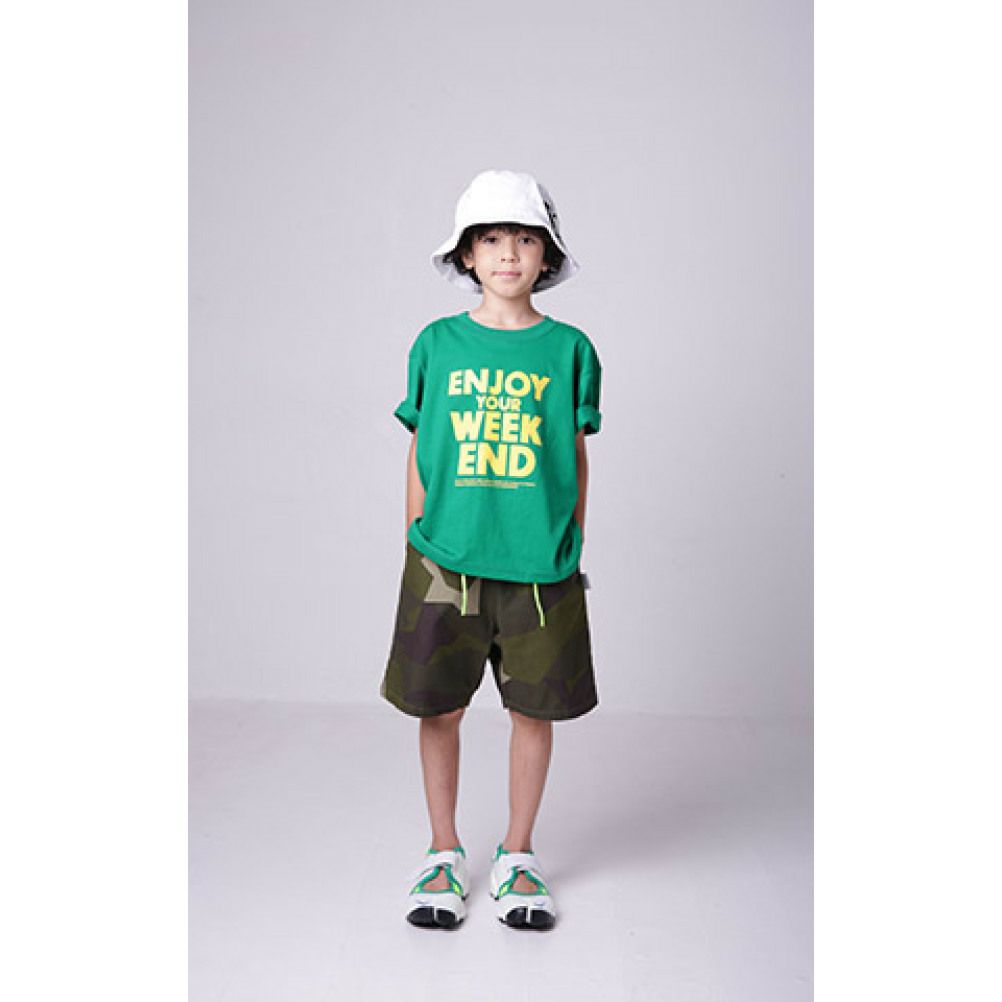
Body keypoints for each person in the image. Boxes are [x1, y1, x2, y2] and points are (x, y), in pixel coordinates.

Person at [380, 169, 603, 931]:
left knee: (532, 713)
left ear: (547, 255)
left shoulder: (569, 349)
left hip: (540, 567)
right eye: (492, 239)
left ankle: (518, 853)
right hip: (444, 561)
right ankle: (443, 850)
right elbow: (420, 445)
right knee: (439, 707)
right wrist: (417, 537)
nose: (509, 253)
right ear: (467, 256)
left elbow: (574, 452)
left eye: (525, 239)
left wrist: (570, 539)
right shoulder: (437, 343)